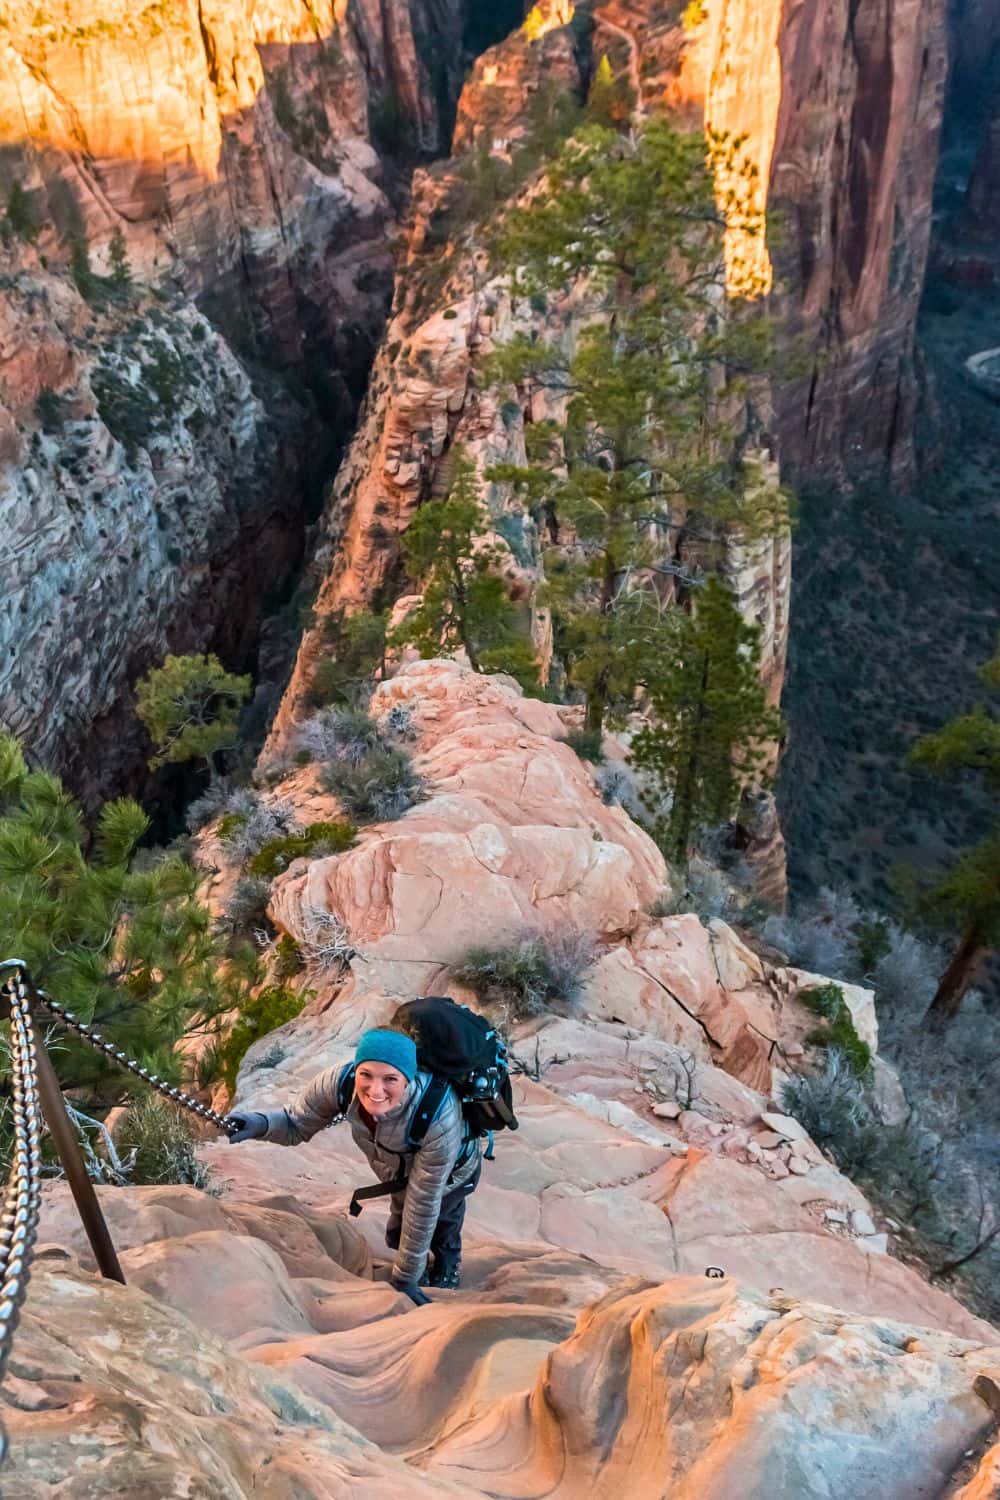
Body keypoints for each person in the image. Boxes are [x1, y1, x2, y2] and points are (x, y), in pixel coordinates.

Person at [226, 1028, 481, 1304]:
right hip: (399, 1171)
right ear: (356, 1069)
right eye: (366, 1075)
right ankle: (420, 1264)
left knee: (442, 1220)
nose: (375, 1089)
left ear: (408, 1080)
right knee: (398, 1233)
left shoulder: (438, 1115)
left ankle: (448, 1268)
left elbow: (423, 1202)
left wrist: (406, 1280)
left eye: (390, 1079)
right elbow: (295, 1123)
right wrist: (259, 1123)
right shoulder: (339, 1083)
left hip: (453, 1171)